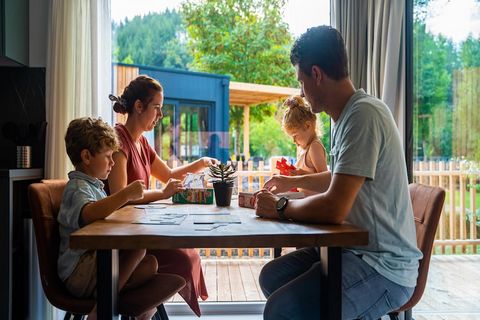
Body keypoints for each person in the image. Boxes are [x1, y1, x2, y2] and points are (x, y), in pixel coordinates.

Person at [255, 26, 423, 320]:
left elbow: (334, 207)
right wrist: (289, 182)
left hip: (383, 267)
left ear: (317, 74)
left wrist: (281, 207)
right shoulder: (346, 117)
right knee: (272, 276)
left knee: (280, 310)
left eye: (302, 82)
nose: (303, 93)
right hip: (354, 251)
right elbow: (338, 177)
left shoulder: (363, 115)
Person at [107, 75, 216, 316]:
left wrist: (200, 163)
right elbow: (120, 196)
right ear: (138, 106)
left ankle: (144, 309)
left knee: (189, 253)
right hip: (124, 239)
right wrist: (162, 194)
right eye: (156, 107)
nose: (160, 116)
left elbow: (168, 175)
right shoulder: (118, 142)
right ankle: (142, 308)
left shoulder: (142, 144)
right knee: (184, 259)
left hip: (140, 231)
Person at [58, 117, 185, 320]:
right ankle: (102, 307)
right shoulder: (78, 188)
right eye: (108, 156)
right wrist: (124, 194)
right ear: (86, 157)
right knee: (139, 248)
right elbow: (89, 213)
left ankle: (124, 302)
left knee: (150, 264)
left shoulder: (93, 186)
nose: (113, 162)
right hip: (78, 272)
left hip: (94, 264)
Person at [281, 95, 328, 195]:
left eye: (295, 136)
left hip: (314, 204)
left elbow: (325, 181)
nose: (294, 141)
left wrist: (301, 174)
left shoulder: (315, 147)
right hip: (305, 202)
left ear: (307, 126)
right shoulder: (305, 149)